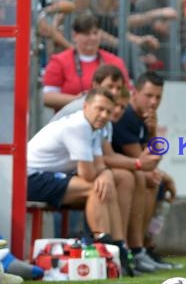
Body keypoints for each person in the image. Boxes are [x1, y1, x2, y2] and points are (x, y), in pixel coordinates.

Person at [50, 64, 162, 274]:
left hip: (69, 170)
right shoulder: (88, 117)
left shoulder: (107, 117)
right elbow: (129, 160)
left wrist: (153, 133)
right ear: (94, 88)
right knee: (106, 185)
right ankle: (113, 252)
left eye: (118, 89)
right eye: (110, 87)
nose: (114, 94)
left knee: (128, 179)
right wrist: (130, 167)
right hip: (40, 174)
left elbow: (107, 158)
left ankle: (130, 250)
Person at [27, 87, 132, 274]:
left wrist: (106, 173)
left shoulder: (94, 128)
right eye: (99, 109)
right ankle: (105, 248)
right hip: (29, 178)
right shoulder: (79, 126)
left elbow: (99, 166)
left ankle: (119, 247)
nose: (104, 115)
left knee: (106, 186)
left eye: (108, 111)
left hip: (47, 176)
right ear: (85, 106)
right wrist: (105, 173)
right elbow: (88, 174)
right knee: (95, 188)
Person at [111, 71, 178, 270]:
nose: (153, 102)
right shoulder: (126, 116)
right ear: (135, 92)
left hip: (131, 170)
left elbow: (151, 159)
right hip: (120, 173)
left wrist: (152, 129)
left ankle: (145, 248)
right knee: (148, 180)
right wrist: (162, 174)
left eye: (158, 97)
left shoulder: (144, 118)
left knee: (156, 184)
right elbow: (145, 160)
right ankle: (134, 249)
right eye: (149, 95)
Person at [42, 13, 129, 112]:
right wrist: (79, 101)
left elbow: (126, 93)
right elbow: (47, 97)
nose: (92, 38)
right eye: (86, 34)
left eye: (95, 33)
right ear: (75, 36)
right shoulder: (59, 61)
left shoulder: (114, 62)